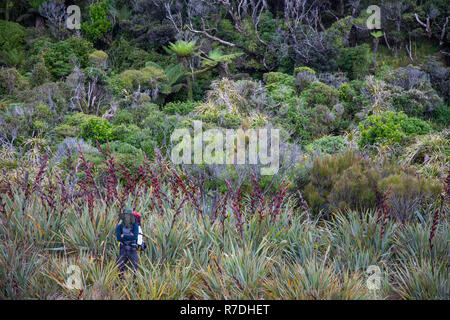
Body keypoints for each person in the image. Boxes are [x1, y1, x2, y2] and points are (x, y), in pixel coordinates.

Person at [116, 208, 139, 277]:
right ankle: (120, 283)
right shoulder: (119, 227)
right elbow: (118, 238)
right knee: (120, 267)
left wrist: (124, 236)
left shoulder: (135, 226)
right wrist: (129, 235)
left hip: (132, 249)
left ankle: (134, 284)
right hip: (123, 250)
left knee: (135, 268)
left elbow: (135, 237)